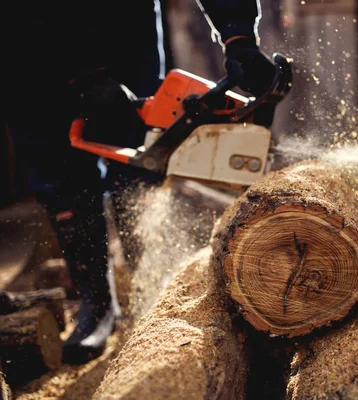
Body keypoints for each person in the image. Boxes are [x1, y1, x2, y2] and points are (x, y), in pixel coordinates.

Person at [0, 0, 272, 363]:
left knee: (141, 157)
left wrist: (238, 35)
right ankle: (97, 305)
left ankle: (150, 290)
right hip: (28, 38)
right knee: (58, 174)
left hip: (122, 28)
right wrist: (86, 74)